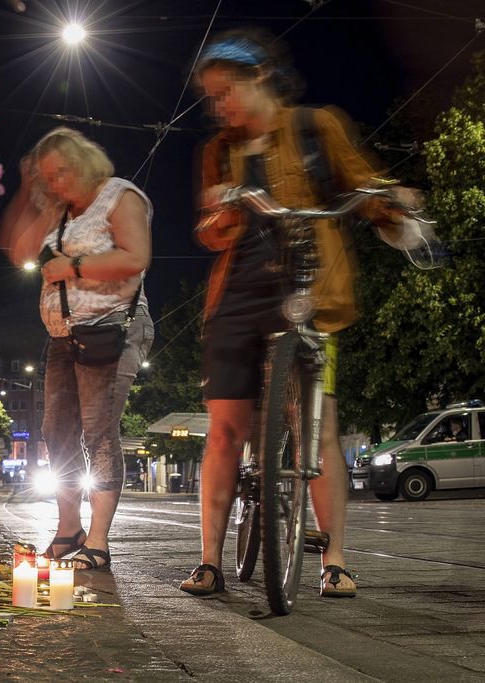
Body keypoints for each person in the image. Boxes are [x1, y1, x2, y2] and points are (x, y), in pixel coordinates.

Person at [180, 28, 420, 598]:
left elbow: (364, 184)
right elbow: (210, 233)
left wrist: (393, 203)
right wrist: (221, 213)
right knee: (224, 432)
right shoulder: (218, 151)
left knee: (322, 422)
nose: (220, 107)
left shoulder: (316, 126)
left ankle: (334, 559)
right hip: (237, 295)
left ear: (257, 77)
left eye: (225, 92)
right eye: (212, 98)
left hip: (309, 287)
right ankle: (209, 561)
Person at [0, 127, 154, 572]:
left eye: (60, 173)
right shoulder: (60, 209)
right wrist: (30, 192)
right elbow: (20, 249)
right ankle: (70, 530)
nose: (55, 184)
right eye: (47, 177)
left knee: (98, 431)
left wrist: (74, 266)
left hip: (112, 328)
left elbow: (136, 257)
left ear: (84, 163)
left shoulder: (120, 196)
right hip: (63, 336)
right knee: (55, 431)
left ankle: (99, 540)